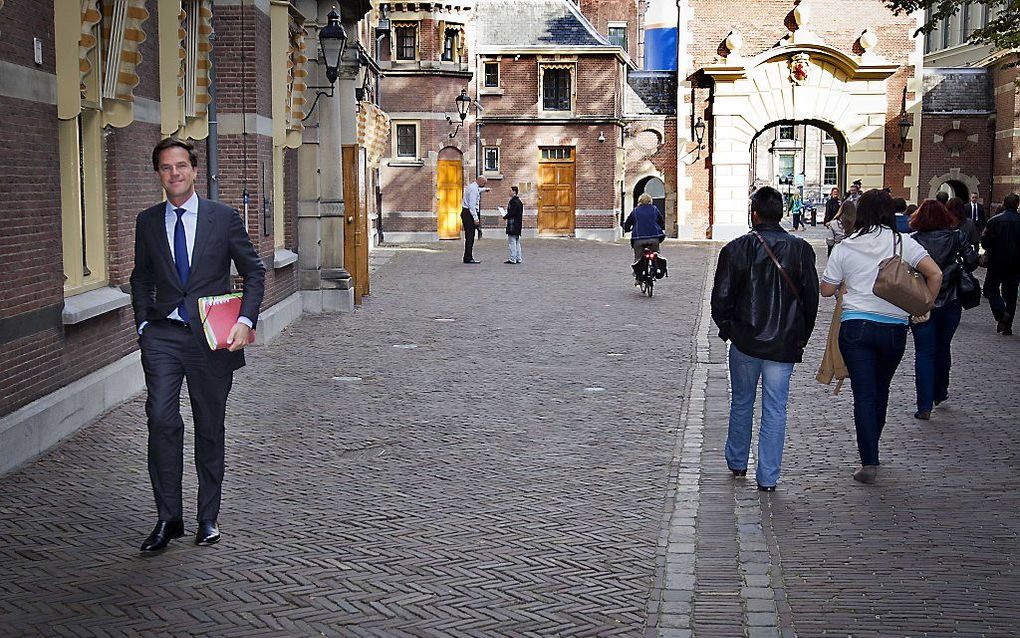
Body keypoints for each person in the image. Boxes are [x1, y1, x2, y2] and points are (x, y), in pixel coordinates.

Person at [130, 138, 266, 552]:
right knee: (161, 419)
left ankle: (208, 517)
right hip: (164, 336)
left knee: (209, 427)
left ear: (194, 170)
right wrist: (143, 325)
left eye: (181, 166)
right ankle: (168, 517)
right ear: (159, 174)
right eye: (166, 168)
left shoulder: (222, 218)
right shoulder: (148, 221)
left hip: (210, 340)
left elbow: (254, 272)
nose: (175, 174)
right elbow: (141, 277)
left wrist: (245, 320)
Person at [820, 189, 942, 485]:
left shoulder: (845, 246)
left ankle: (869, 461)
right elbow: (935, 274)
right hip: (893, 329)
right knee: (881, 389)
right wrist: (922, 306)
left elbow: (825, 289)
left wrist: (842, 286)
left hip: (855, 327)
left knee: (863, 394)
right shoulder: (903, 243)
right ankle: (873, 442)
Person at [711, 186, 819, 492]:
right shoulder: (800, 249)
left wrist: (729, 329)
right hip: (783, 343)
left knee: (742, 402)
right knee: (775, 408)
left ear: (754, 214)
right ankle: (768, 476)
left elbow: (720, 298)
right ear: (781, 213)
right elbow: (811, 300)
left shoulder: (735, 249)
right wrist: (800, 337)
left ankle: (737, 460)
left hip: (745, 340)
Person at [908, 199, 978, 419]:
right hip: (951, 300)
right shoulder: (957, 236)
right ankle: (940, 390)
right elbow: (972, 260)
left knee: (924, 352)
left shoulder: (914, 241)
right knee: (943, 346)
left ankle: (924, 404)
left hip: (921, 302)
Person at [982, 193, 1020, 335]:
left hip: (996, 262)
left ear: (1004, 203)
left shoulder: (994, 221)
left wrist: (991, 249)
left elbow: (985, 241)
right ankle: (1007, 325)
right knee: (1011, 295)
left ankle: (1001, 314)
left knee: (991, 289)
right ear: (1017, 204)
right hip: (1016, 264)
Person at [623, 193, 666, 262]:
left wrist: (627, 229)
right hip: (654, 238)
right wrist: (662, 227)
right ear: (650, 201)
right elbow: (660, 220)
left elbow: (628, 222)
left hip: (638, 238)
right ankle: (656, 265)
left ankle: (636, 271)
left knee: (638, 258)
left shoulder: (635, 211)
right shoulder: (654, 209)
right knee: (656, 255)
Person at [461, 175, 488, 264]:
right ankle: (468, 257)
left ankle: (467, 256)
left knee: (469, 236)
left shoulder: (472, 187)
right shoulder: (473, 190)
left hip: (466, 212)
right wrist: (475, 218)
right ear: (480, 181)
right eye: (484, 184)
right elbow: (472, 205)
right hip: (469, 214)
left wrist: (484, 190)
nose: (483, 185)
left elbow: (478, 190)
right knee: (470, 237)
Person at [503, 185, 524, 264]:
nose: (509, 192)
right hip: (518, 224)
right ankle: (519, 257)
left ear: (514, 192)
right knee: (517, 241)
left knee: (512, 242)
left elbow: (512, 213)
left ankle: (513, 258)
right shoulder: (519, 201)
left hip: (513, 224)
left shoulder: (513, 202)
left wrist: (505, 216)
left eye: (510, 191)